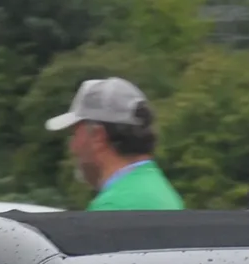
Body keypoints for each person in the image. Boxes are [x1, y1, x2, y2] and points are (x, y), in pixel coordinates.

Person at [46, 78, 185, 212]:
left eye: (75, 134)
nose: (73, 147)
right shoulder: (156, 188)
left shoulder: (116, 206)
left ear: (97, 136)